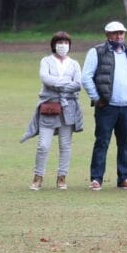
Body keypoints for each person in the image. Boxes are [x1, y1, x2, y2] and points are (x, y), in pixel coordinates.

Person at [81, 21, 127, 191]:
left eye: (121, 33)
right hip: (106, 106)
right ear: (107, 35)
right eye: (115, 33)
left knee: (125, 142)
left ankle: (124, 178)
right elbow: (86, 77)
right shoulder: (97, 52)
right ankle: (96, 178)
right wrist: (96, 98)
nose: (119, 36)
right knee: (102, 141)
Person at [27, 31, 83, 190]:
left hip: (68, 108)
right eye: (60, 42)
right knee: (43, 145)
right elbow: (45, 78)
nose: (63, 46)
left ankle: (62, 177)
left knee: (65, 145)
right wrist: (65, 83)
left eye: (66, 43)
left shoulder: (74, 64)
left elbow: (78, 84)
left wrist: (59, 85)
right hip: (49, 107)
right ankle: (38, 177)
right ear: (54, 45)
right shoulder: (46, 61)